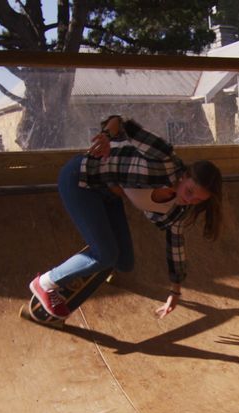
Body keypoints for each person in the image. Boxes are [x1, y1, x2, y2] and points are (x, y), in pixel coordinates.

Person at [29, 114, 223, 321]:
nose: (189, 200)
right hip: (81, 177)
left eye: (198, 200)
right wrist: (105, 136)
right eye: (190, 191)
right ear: (185, 176)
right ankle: (45, 283)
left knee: (124, 262)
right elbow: (121, 123)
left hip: (108, 196)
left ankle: (99, 256)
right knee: (106, 255)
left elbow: (176, 248)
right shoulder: (164, 158)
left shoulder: (176, 212)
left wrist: (175, 292)